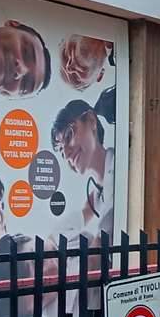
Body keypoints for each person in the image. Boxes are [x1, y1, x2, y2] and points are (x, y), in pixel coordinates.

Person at [51, 96, 115, 241]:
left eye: (69, 135)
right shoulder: (96, 196)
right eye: (61, 151)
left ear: (91, 121)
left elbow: (101, 242)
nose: (67, 154)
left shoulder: (118, 170)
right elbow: (81, 215)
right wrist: (51, 240)